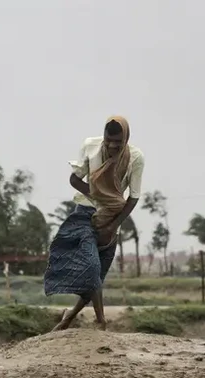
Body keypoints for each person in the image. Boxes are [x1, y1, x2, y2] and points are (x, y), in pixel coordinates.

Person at [43, 115, 144, 331]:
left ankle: (69, 316)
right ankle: (100, 321)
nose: (112, 145)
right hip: (85, 215)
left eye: (118, 141)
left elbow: (133, 197)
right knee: (91, 266)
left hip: (111, 218)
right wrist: (97, 195)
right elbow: (74, 179)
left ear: (125, 139)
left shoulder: (136, 158)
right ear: (104, 136)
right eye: (109, 140)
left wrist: (113, 225)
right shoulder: (91, 146)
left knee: (97, 277)